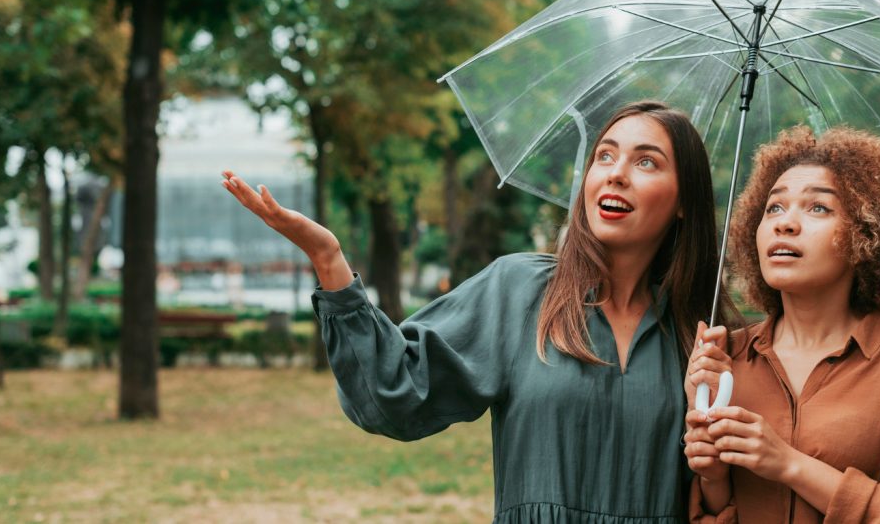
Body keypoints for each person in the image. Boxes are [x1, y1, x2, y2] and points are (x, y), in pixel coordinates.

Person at [222, 101, 736, 523]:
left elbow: (725, 498)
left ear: (684, 201)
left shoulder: (706, 337)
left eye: (646, 162)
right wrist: (330, 261)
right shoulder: (521, 291)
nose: (616, 174)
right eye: (605, 156)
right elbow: (393, 393)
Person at [683, 126, 880, 523]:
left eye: (818, 208)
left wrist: (789, 465)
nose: (785, 224)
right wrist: (714, 480)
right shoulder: (726, 361)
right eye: (774, 207)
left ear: (868, 234)